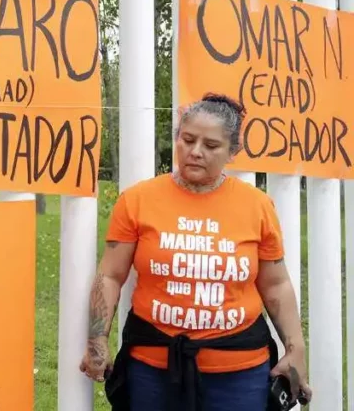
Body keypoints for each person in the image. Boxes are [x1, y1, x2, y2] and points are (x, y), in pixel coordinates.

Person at [79, 93, 311, 411]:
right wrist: (97, 339)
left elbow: (276, 285)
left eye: (211, 145)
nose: (195, 152)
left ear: (232, 151)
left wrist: (295, 348)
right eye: (187, 140)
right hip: (152, 369)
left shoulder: (257, 206)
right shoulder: (137, 200)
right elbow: (110, 276)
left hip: (240, 375)